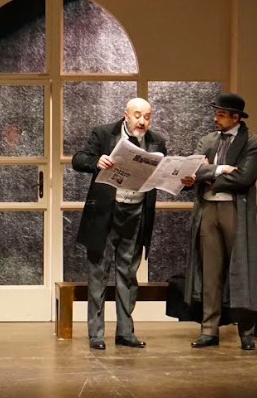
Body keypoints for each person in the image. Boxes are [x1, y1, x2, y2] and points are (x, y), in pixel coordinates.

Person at [72, 98, 167, 350]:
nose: (142, 121)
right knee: (99, 273)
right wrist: (96, 162)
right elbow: (78, 159)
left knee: (128, 274)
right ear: (126, 115)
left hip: (136, 212)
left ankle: (125, 332)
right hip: (107, 212)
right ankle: (96, 334)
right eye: (137, 115)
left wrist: (180, 180)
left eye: (147, 117)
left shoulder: (156, 142)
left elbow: (162, 173)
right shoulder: (104, 134)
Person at [180, 92, 257, 351]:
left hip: (234, 210)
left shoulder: (254, 143)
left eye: (221, 114)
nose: (215, 118)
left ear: (235, 117)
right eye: (216, 113)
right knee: (210, 272)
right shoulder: (208, 140)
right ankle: (209, 330)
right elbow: (193, 169)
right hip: (208, 209)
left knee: (242, 271)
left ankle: (246, 333)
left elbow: (244, 178)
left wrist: (209, 175)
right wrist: (220, 169)